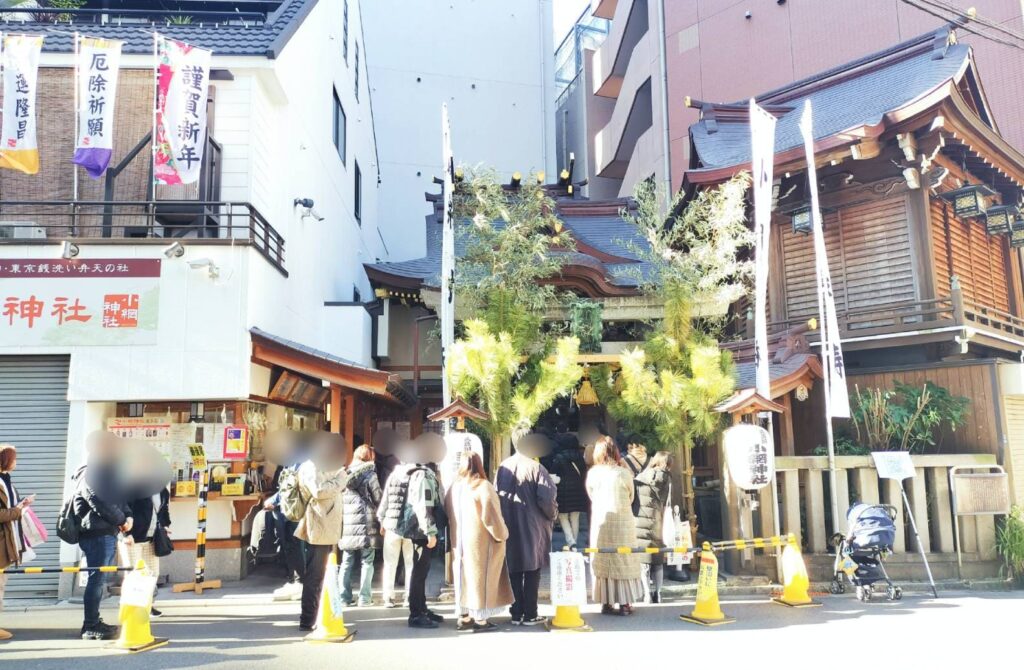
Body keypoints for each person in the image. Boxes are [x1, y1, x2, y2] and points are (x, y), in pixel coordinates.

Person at [378, 435, 446, 629]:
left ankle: (420, 607)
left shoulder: (397, 473)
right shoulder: (421, 474)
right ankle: (417, 613)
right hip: (418, 529)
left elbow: (385, 499)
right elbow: (422, 504)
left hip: (399, 526)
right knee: (417, 571)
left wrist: (382, 519)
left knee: (406, 568)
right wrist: (430, 531)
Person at [445, 451, 513, 633]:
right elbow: (492, 516)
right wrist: (502, 534)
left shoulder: (455, 487)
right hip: (480, 541)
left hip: (458, 539)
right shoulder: (482, 486)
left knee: (462, 578)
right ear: (478, 464)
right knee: (480, 579)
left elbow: (446, 510)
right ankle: (481, 620)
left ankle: (463, 616)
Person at [495, 432, 558, 626]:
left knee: (513, 568)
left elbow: (496, 494)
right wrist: (553, 515)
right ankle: (530, 613)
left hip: (508, 523)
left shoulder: (502, 467)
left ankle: (516, 612)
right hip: (533, 525)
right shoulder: (537, 468)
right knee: (532, 568)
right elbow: (547, 500)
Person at [74, 453, 132, 640]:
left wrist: (127, 516)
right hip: (96, 534)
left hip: (105, 532)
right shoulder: (91, 474)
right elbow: (100, 502)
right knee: (96, 580)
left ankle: (93, 622)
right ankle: (90, 625)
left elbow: (121, 499)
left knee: (98, 580)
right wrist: (122, 520)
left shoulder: (107, 475)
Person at [293, 438, 348, 632]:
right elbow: (318, 491)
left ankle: (318, 615)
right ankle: (307, 619)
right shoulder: (311, 466)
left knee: (322, 572)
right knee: (315, 574)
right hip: (318, 525)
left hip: (326, 525)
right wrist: (340, 481)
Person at [586, 436, 644, 616]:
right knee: (624, 559)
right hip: (622, 522)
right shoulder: (623, 473)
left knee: (603, 559)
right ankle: (625, 604)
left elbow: (591, 495)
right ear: (615, 452)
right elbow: (631, 496)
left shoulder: (593, 473)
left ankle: (606, 602)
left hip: (601, 521)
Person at [339, 445, 382, 607]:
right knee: (367, 560)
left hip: (348, 523)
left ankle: (344, 597)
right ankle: (364, 598)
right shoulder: (370, 474)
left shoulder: (345, 474)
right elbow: (378, 496)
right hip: (367, 521)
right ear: (369, 457)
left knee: (347, 561)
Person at [0, 444, 33, 641]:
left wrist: (22, 505)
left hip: (7, 539)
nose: (16, 462)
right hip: (1, 540)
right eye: (14, 458)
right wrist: (17, 511)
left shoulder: (6, 481)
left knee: (1, 583)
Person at [122, 485, 171, 617]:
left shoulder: (161, 489)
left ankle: (148, 605)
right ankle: (132, 608)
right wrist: (126, 534)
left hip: (152, 537)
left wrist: (165, 525)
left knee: (153, 573)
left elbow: (163, 509)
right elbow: (123, 509)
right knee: (134, 574)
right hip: (133, 537)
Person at [634, 451, 673, 603]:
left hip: (641, 523)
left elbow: (634, 499)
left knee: (643, 560)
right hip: (659, 522)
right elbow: (668, 502)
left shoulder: (641, 477)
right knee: (658, 560)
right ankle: (658, 593)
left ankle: (647, 594)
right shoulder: (667, 479)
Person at [264, 464, 306, 600]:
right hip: (288, 509)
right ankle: (295, 579)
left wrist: (274, 501)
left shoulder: (300, 463)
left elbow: (289, 488)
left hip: (294, 510)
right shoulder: (290, 464)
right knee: (292, 546)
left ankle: (299, 581)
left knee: (296, 546)